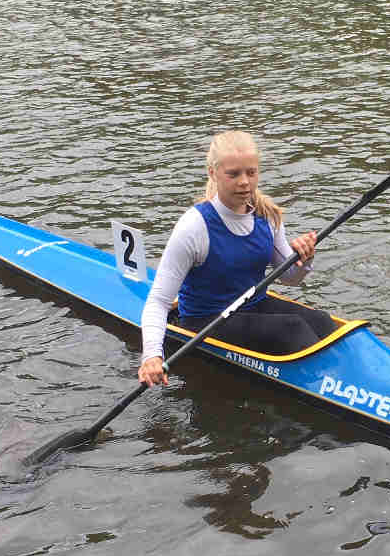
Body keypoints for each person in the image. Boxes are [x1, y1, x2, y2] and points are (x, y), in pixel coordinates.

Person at [138, 130, 338, 386]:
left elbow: (290, 278)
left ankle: (343, 381)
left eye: (251, 173)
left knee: (322, 321)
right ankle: (327, 386)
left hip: (253, 305)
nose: (244, 182)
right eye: (233, 174)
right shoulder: (194, 226)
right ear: (213, 173)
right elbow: (158, 301)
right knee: (292, 328)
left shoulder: (267, 216)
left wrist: (304, 258)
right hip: (205, 320)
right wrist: (152, 356)